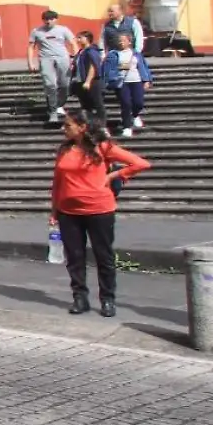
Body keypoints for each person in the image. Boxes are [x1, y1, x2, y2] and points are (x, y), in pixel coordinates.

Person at [52, 109, 150, 317]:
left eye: (68, 125)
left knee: (103, 255)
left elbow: (140, 163)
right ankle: (80, 297)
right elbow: (57, 182)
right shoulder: (64, 149)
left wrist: (114, 175)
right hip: (68, 211)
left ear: (82, 127)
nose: (63, 128)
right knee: (74, 257)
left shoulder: (103, 147)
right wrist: (54, 210)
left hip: (99, 210)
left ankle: (107, 299)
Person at [28, 9, 76, 124]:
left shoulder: (63, 30)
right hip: (46, 59)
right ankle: (53, 112)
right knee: (50, 85)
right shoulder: (36, 31)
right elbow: (31, 47)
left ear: (56, 19)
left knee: (65, 85)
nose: (48, 22)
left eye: (51, 19)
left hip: (62, 58)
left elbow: (73, 43)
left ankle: (59, 104)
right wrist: (31, 62)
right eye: (46, 19)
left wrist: (75, 58)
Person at [107, 31, 153, 137]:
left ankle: (135, 115)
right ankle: (126, 127)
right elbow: (109, 68)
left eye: (123, 40)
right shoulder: (113, 54)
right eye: (120, 41)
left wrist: (146, 80)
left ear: (129, 41)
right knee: (126, 104)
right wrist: (120, 69)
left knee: (138, 103)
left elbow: (143, 67)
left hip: (136, 80)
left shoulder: (136, 53)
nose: (121, 42)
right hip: (122, 83)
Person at [72, 31, 106, 124]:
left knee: (97, 103)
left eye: (80, 37)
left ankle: (102, 124)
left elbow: (93, 66)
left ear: (87, 39)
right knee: (86, 106)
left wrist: (88, 81)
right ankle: (89, 124)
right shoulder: (80, 52)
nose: (78, 40)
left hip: (92, 82)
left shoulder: (91, 51)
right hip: (80, 81)